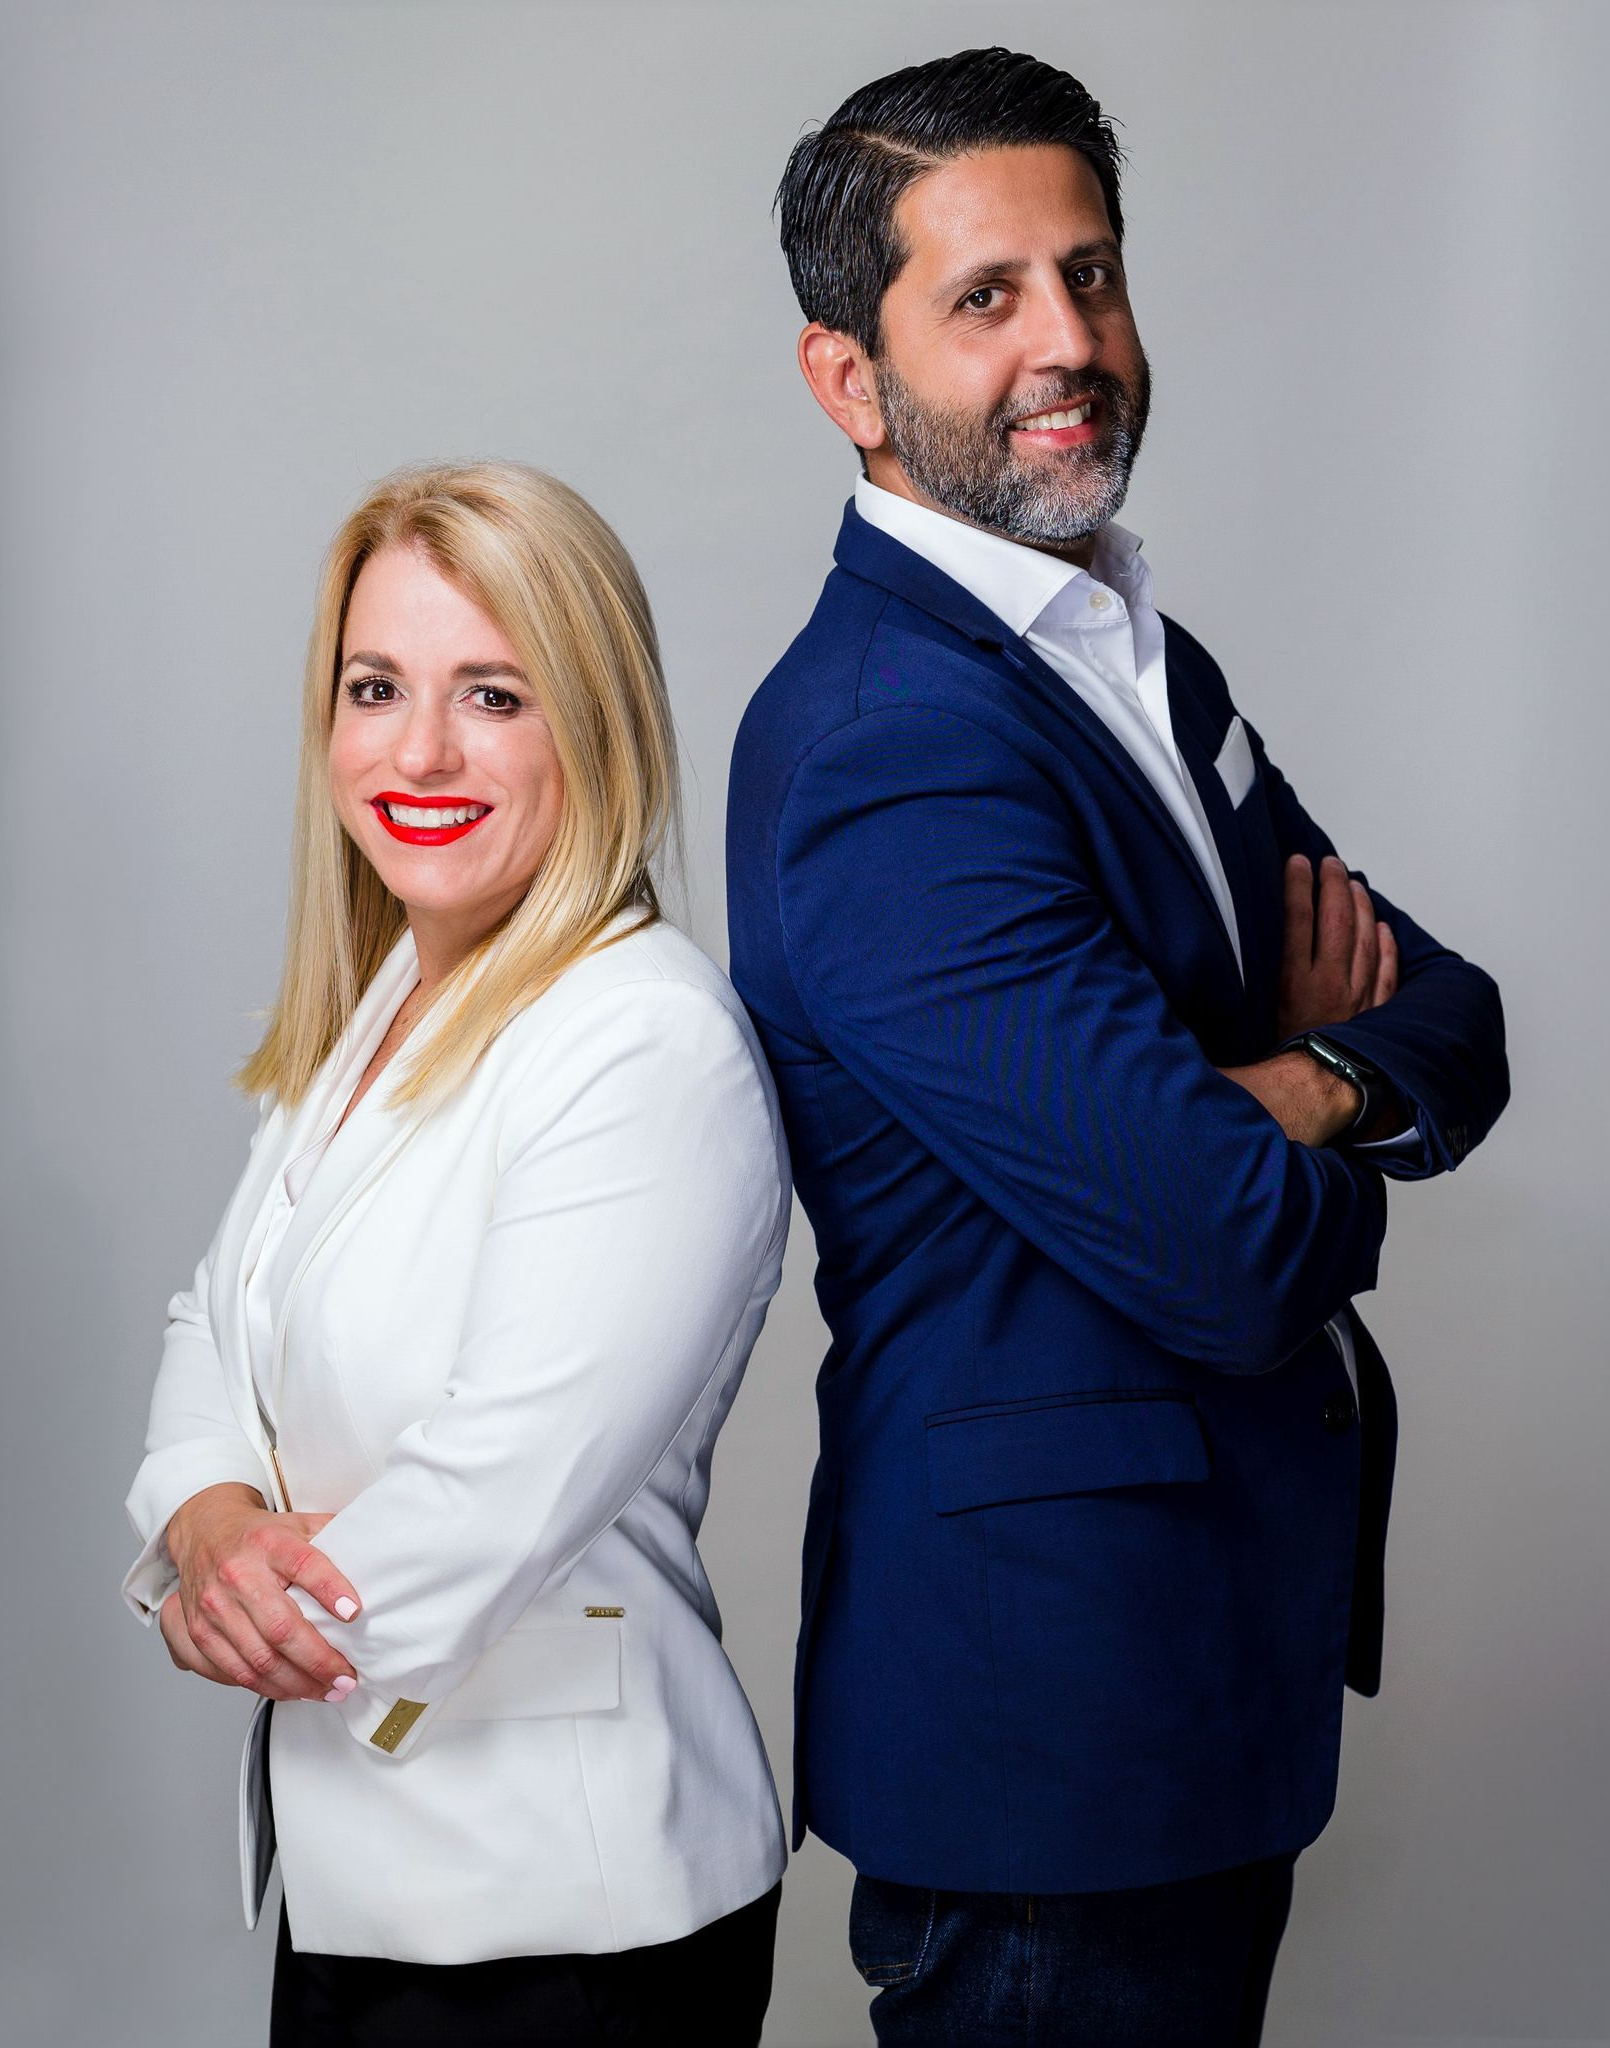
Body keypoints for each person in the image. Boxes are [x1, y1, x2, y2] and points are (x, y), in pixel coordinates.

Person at [726, 46, 1509, 2046]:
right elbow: (1232, 1246)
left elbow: (1457, 1013)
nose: (1067, 342)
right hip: (1045, 1725)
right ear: (848, 380)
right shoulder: (889, 746)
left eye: (1089, 274)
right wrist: (1296, 1120)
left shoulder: (1133, 662)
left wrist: (1296, 1088)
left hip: (1193, 1671)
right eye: (985, 296)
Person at [122, 462, 789, 2047]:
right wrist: (206, 1529)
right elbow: (215, 1324)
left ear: (594, 727)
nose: (418, 751)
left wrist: (245, 1610)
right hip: (367, 1877)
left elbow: (496, 1487)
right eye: (376, 688)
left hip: (560, 1917)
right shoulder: (378, 1010)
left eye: (493, 694)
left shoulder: (643, 1041)